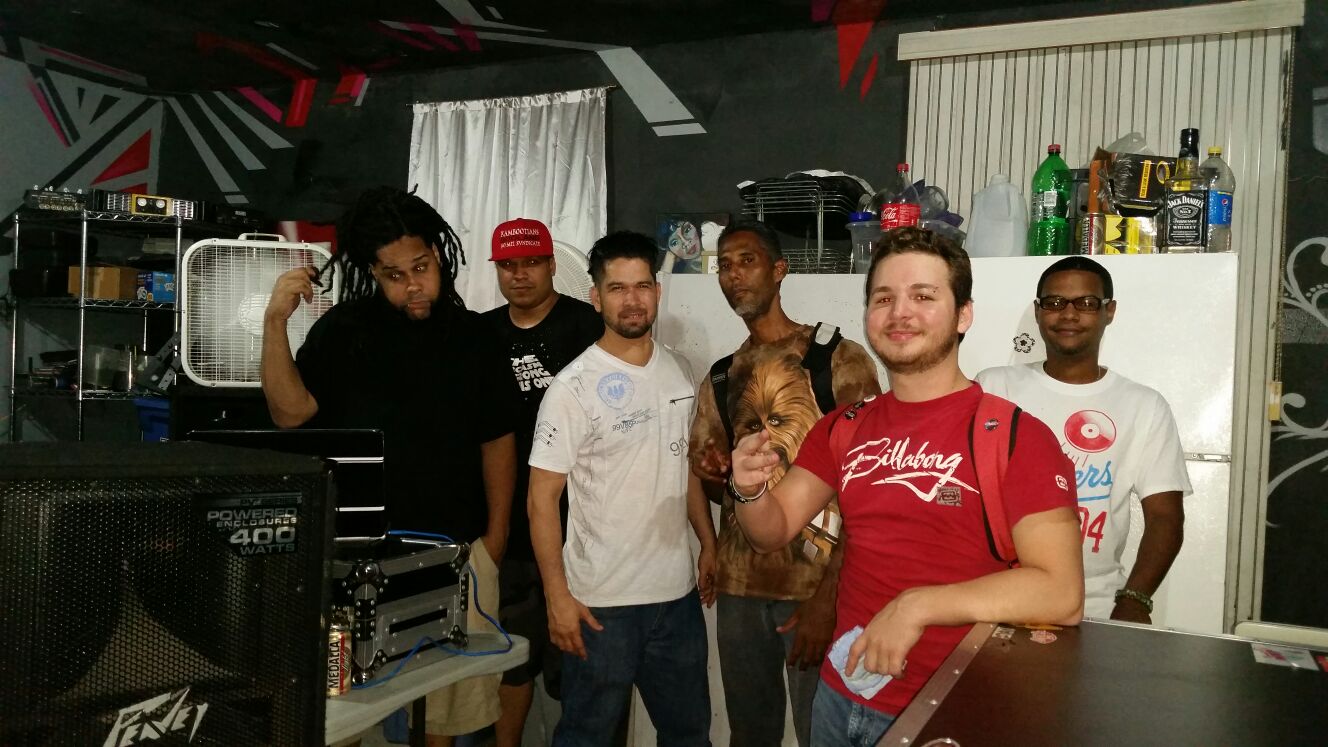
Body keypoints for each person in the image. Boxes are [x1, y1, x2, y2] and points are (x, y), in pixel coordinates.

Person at [728, 226, 1083, 746]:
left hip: (950, 706)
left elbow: (1061, 593)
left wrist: (916, 606)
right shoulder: (843, 427)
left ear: (963, 315)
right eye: (884, 298)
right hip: (839, 695)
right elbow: (771, 530)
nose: (900, 312)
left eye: (923, 296)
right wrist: (749, 489)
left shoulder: (1015, 437)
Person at [261, 186, 520, 746]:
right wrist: (274, 322)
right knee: (340, 718)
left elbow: (498, 439)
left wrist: (495, 540)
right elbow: (289, 413)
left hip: (455, 551)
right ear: (374, 274)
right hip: (354, 557)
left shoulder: (476, 338)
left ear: (439, 255)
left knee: (445, 718)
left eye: (421, 267)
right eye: (394, 275)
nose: (412, 285)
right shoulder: (344, 332)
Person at [688, 220, 880, 747]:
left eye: (746, 261)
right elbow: (721, 491)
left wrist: (828, 598)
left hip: (814, 587)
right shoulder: (722, 375)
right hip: (741, 588)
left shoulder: (837, 358)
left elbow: (870, 486)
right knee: (750, 734)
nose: (733, 275)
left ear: (779, 270)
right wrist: (715, 475)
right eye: (724, 265)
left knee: (823, 733)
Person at [527, 230, 717, 746]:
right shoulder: (572, 387)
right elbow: (541, 500)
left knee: (688, 735)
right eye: (617, 288)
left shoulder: (680, 371)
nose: (632, 300)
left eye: (641, 286)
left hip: (675, 600)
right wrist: (557, 597)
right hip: (600, 605)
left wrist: (708, 542)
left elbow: (685, 469)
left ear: (657, 291)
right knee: (586, 737)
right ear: (596, 297)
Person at [976, 256, 1191, 623]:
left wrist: (1135, 601)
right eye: (1055, 302)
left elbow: (1165, 518)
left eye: (1087, 303)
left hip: (1096, 608)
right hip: (993, 598)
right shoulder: (993, 387)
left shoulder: (1143, 405)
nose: (1069, 314)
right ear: (1038, 311)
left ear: (1110, 311)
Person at [480, 218, 603, 745]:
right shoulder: (481, 334)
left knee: (581, 666)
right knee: (510, 664)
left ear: (553, 265)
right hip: (508, 529)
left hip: (581, 529)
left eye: (531, 263)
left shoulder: (589, 326)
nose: (520, 274)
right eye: (508, 265)